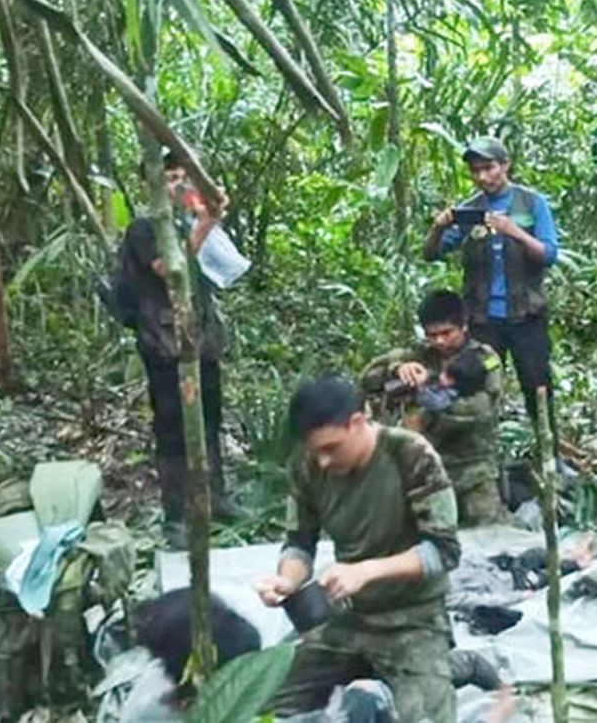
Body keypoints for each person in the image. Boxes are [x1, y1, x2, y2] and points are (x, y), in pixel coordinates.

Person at [256, 376, 459, 723]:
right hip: (347, 617)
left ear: (357, 423)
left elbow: (444, 551)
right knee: (258, 701)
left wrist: (367, 570)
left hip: (414, 618)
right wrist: (287, 581)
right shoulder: (308, 466)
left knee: (428, 717)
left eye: (331, 448)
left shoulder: (409, 454)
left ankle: (457, 665)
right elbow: (299, 543)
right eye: (314, 450)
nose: (322, 461)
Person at [120, 155, 241, 547]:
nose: (178, 185)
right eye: (170, 178)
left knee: (210, 419)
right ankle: (175, 517)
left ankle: (216, 497)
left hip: (201, 341)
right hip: (164, 345)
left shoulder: (188, 222)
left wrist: (208, 218)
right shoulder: (144, 229)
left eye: (183, 178)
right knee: (172, 429)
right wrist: (206, 222)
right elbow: (170, 268)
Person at [424, 136, 559, 433]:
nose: (482, 176)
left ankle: (549, 454)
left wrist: (515, 232)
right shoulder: (469, 210)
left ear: (505, 165)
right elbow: (432, 253)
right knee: (476, 387)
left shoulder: (532, 203)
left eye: (489, 167)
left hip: (527, 317)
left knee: (538, 386)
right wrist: (438, 227)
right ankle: (480, 452)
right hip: (483, 320)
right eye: (475, 170)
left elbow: (549, 254)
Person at [361, 290, 507, 526]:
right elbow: (368, 378)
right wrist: (398, 369)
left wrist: (430, 400)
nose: (439, 341)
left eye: (447, 333)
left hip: (472, 468)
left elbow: (482, 409)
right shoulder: (418, 354)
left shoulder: (484, 358)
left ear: (464, 326)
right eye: (432, 335)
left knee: (489, 536)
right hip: (424, 469)